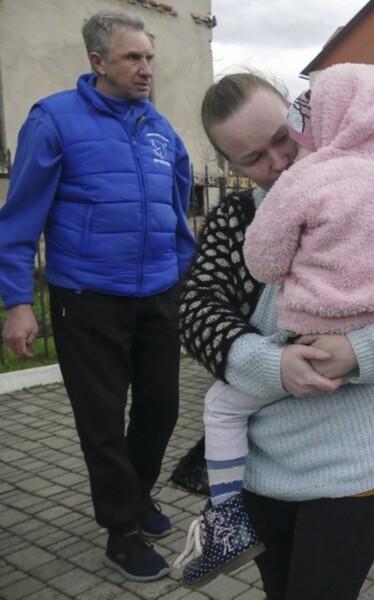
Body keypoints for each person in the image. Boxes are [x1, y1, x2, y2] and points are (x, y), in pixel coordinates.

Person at [176, 64, 374, 586]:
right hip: (262, 467)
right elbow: (196, 308)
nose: (279, 162)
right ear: (231, 165)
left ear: (301, 115)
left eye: (279, 139)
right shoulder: (238, 216)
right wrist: (271, 364)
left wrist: (366, 349)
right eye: (253, 159)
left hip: (360, 464)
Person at [0, 11, 193, 581]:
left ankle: (138, 494)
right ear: (98, 62)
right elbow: (18, 221)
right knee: (102, 422)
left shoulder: (161, 130)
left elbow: (178, 211)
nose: (145, 69)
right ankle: (122, 529)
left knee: (161, 408)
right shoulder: (54, 120)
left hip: (158, 291)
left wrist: (184, 276)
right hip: (87, 297)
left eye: (149, 58)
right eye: (133, 58)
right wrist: (16, 302)